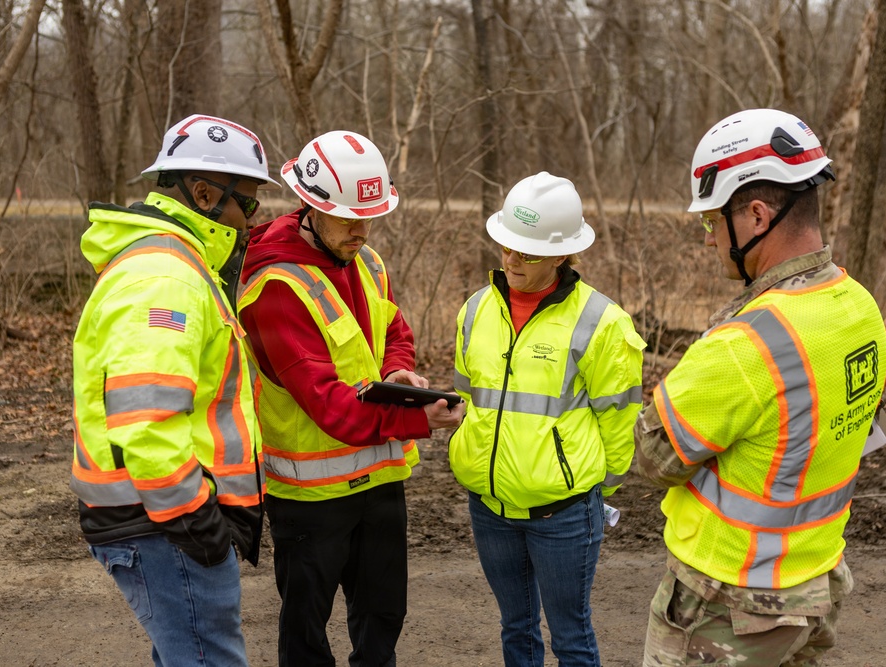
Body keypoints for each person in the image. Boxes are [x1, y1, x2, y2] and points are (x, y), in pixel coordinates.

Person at [635, 108, 886, 666]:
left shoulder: (746, 345)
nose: (707, 240)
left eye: (711, 222)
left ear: (755, 215)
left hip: (725, 605)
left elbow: (652, 457)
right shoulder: (862, 309)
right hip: (815, 590)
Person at [236, 130, 465, 667]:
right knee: (305, 633)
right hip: (311, 498)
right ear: (310, 206)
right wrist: (417, 421)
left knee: (383, 618)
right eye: (347, 218)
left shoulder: (367, 262)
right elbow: (329, 404)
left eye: (368, 217)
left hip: (380, 483)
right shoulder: (275, 288)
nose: (361, 231)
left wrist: (399, 371)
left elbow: (393, 330)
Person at [71, 114, 278, 666]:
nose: (253, 221)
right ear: (205, 193)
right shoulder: (167, 275)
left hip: (160, 519)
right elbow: (146, 417)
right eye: (249, 204)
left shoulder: (173, 262)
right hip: (165, 523)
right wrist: (195, 520)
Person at [449, 172, 646, 667]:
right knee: (515, 628)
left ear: (561, 255)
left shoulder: (603, 322)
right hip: (489, 507)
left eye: (528, 253)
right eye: (506, 247)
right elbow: (466, 399)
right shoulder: (475, 310)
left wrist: (599, 494)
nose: (512, 260)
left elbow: (620, 423)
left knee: (570, 636)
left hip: (564, 515)